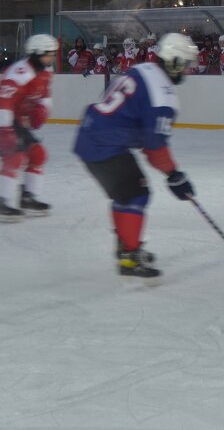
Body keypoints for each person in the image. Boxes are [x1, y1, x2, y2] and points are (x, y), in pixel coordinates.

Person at [73, 32, 200, 279]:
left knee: (125, 195)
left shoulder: (141, 70)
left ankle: (126, 248)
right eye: (185, 65)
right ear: (173, 62)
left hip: (90, 137)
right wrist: (174, 175)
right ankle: (130, 258)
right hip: (107, 145)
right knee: (137, 195)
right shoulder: (164, 95)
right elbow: (154, 147)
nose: (187, 72)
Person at [0, 34, 58, 221]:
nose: (52, 58)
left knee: (38, 154)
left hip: (16, 120)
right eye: (49, 54)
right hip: (0, 116)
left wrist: (42, 108)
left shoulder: (45, 71)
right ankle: (0, 202)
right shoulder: (19, 73)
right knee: (14, 156)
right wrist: (4, 131)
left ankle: (28, 198)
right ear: (37, 53)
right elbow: (2, 102)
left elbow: (44, 94)